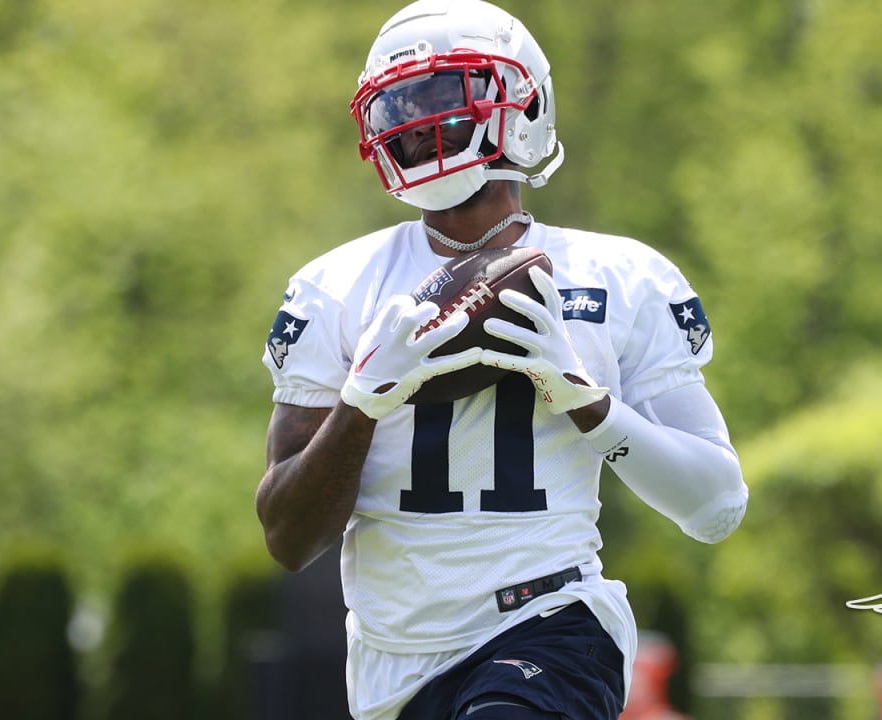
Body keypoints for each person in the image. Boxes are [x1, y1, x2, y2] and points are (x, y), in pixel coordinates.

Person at [255, 1, 748, 718]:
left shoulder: (620, 274)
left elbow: (716, 505)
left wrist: (585, 400)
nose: (417, 121)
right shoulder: (335, 288)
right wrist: (363, 402)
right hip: (398, 663)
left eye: (442, 96)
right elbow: (290, 539)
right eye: (401, 103)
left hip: (551, 625)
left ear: (523, 105)